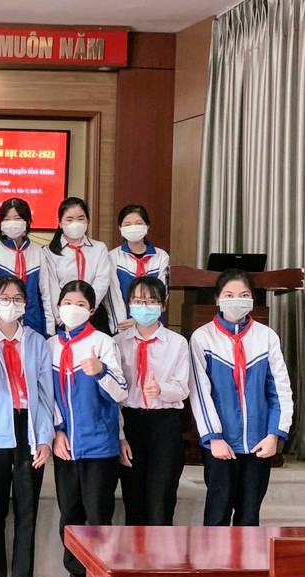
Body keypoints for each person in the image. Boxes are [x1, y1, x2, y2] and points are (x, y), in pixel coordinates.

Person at [189, 268, 293, 526]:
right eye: (229, 294)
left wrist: (274, 435)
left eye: (244, 295)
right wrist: (214, 437)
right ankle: (214, 556)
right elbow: (200, 393)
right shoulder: (202, 338)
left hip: (259, 444)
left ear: (253, 299)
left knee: (249, 517)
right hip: (221, 444)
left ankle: (248, 556)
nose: (237, 300)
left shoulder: (266, 336)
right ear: (217, 299)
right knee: (217, 517)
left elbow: (280, 389)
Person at [0, 275, 54, 577]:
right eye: (4, 298)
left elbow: (46, 394)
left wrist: (44, 437)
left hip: (28, 426)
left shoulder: (37, 341)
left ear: (25, 305)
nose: (10, 304)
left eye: (17, 299)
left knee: (26, 511)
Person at [48, 280, 127, 577]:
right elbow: (47, 395)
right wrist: (57, 430)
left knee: (98, 518)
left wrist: (101, 371)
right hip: (66, 448)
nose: (73, 308)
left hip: (99, 448)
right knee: (69, 518)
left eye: (80, 304)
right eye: (67, 303)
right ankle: (75, 573)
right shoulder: (50, 346)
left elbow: (120, 393)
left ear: (92, 310)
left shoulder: (103, 343)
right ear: (58, 307)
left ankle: (98, 572)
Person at [113, 276, 189, 526]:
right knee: (133, 500)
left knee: (161, 502)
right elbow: (114, 394)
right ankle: (135, 552)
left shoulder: (177, 343)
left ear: (163, 305)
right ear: (129, 304)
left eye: (150, 301)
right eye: (137, 301)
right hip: (131, 422)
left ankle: (160, 551)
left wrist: (161, 389)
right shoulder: (118, 342)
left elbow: (183, 389)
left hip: (164, 424)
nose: (143, 306)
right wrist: (120, 435)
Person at [0, 198, 56, 337]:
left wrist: (49, 329)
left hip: (33, 322)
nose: (12, 223)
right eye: (7, 219)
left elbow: (45, 293)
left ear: (27, 221)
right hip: (3, 325)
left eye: (17, 218)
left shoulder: (38, 251)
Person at [43, 197, 114, 335]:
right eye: (69, 219)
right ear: (60, 223)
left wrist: (87, 307)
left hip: (93, 313)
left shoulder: (99, 248)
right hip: (64, 315)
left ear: (87, 220)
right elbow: (51, 285)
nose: (75, 223)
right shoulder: (48, 252)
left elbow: (102, 280)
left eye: (81, 219)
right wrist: (62, 314)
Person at [106, 205, 171, 333]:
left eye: (138, 223)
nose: (133, 228)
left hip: (153, 323)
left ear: (147, 226)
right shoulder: (113, 257)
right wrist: (123, 326)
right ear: (120, 228)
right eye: (127, 224)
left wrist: (143, 320)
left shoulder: (161, 256)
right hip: (123, 325)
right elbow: (113, 296)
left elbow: (162, 293)